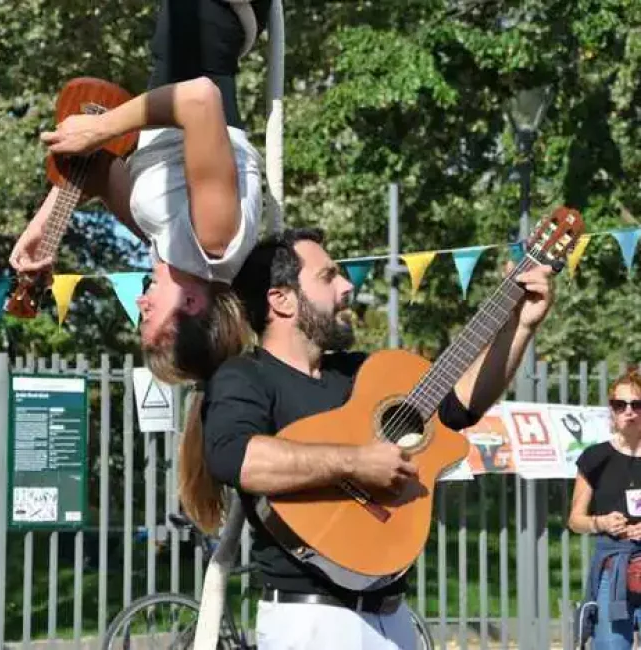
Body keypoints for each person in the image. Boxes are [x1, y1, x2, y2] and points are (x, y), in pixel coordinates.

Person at [186, 227, 555, 649]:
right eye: (328, 277)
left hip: (392, 615)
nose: (348, 287)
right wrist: (357, 461)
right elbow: (237, 458)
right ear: (281, 300)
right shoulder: (245, 375)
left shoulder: (361, 372)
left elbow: (458, 406)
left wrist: (519, 327)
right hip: (311, 621)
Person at [9, 0, 272, 383]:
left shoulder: (168, 248)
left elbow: (98, 172)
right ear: (193, 304)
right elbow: (199, 99)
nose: (140, 302)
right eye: (151, 314)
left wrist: (45, 229)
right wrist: (101, 130)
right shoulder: (214, 243)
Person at [569, 367, 641, 649]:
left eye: (637, 404)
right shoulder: (595, 457)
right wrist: (601, 523)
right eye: (620, 405)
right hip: (613, 570)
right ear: (611, 410)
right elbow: (575, 519)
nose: (629, 412)